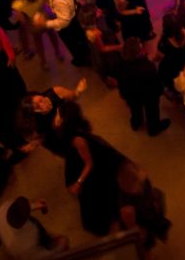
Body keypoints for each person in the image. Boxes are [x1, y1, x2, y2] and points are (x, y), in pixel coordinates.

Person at [43, 101, 126, 236]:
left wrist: (79, 182)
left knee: (96, 198)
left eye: (59, 115)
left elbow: (89, 164)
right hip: (77, 159)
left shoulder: (77, 140)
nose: (56, 116)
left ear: (66, 122)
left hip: (88, 167)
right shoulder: (67, 132)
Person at [116, 160, 172, 260]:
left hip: (149, 208)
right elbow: (132, 227)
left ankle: (161, 233)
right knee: (147, 242)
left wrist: (153, 198)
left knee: (159, 197)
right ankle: (147, 256)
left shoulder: (141, 175)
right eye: (135, 189)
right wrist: (139, 233)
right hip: (141, 220)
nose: (139, 189)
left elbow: (147, 184)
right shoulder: (127, 207)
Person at [40, 0, 93, 66]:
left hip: (68, 25)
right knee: (80, 36)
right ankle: (87, 51)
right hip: (74, 10)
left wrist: (45, 23)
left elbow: (64, 22)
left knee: (73, 43)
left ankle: (81, 60)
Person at [114, 36, 170, 135]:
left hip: (130, 93)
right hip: (148, 95)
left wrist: (123, 94)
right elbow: (155, 84)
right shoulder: (147, 67)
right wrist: (160, 91)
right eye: (141, 47)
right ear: (138, 52)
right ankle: (153, 128)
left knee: (135, 109)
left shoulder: (120, 63)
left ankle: (136, 123)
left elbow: (120, 80)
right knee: (152, 111)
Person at [0, 196, 67, 260]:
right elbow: (41, 257)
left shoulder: (2, 210)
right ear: (23, 221)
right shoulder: (25, 244)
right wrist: (59, 248)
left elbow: (18, 208)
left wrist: (35, 206)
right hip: (39, 244)